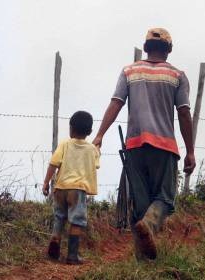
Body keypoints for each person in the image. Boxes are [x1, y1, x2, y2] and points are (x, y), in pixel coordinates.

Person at [92, 27, 196, 260]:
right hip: (164, 147)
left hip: (135, 147)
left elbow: (116, 103)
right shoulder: (177, 76)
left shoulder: (129, 71)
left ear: (146, 48)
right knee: (165, 199)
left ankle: (143, 263)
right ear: (168, 50)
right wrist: (190, 151)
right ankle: (149, 225)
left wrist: (99, 135)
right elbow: (184, 114)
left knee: (139, 207)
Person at [42, 111, 100, 265]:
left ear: (71, 128)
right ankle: (72, 256)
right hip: (77, 190)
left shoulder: (64, 145)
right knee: (77, 221)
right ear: (90, 131)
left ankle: (55, 238)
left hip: (61, 188)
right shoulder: (92, 149)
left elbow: (53, 163)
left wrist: (46, 182)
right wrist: (97, 150)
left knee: (59, 216)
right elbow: (96, 165)